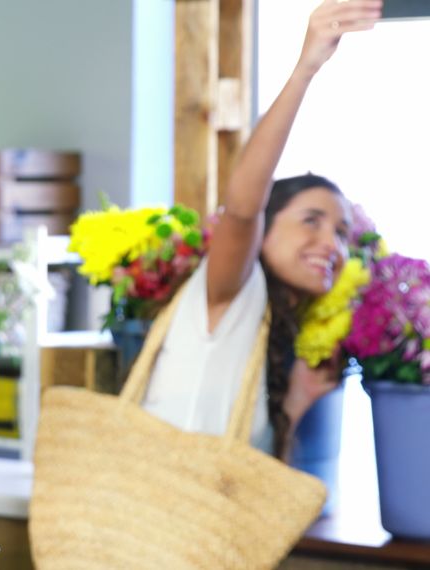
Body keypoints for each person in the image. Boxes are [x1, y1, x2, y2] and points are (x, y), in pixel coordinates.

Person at [143, 0, 381, 458]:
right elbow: (243, 206)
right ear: (264, 230)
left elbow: (253, 479)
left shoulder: (275, 332)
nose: (331, 244)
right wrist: (304, 69)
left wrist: (297, 398)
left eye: (342, 233)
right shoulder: (231, 292)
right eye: (311, 220)